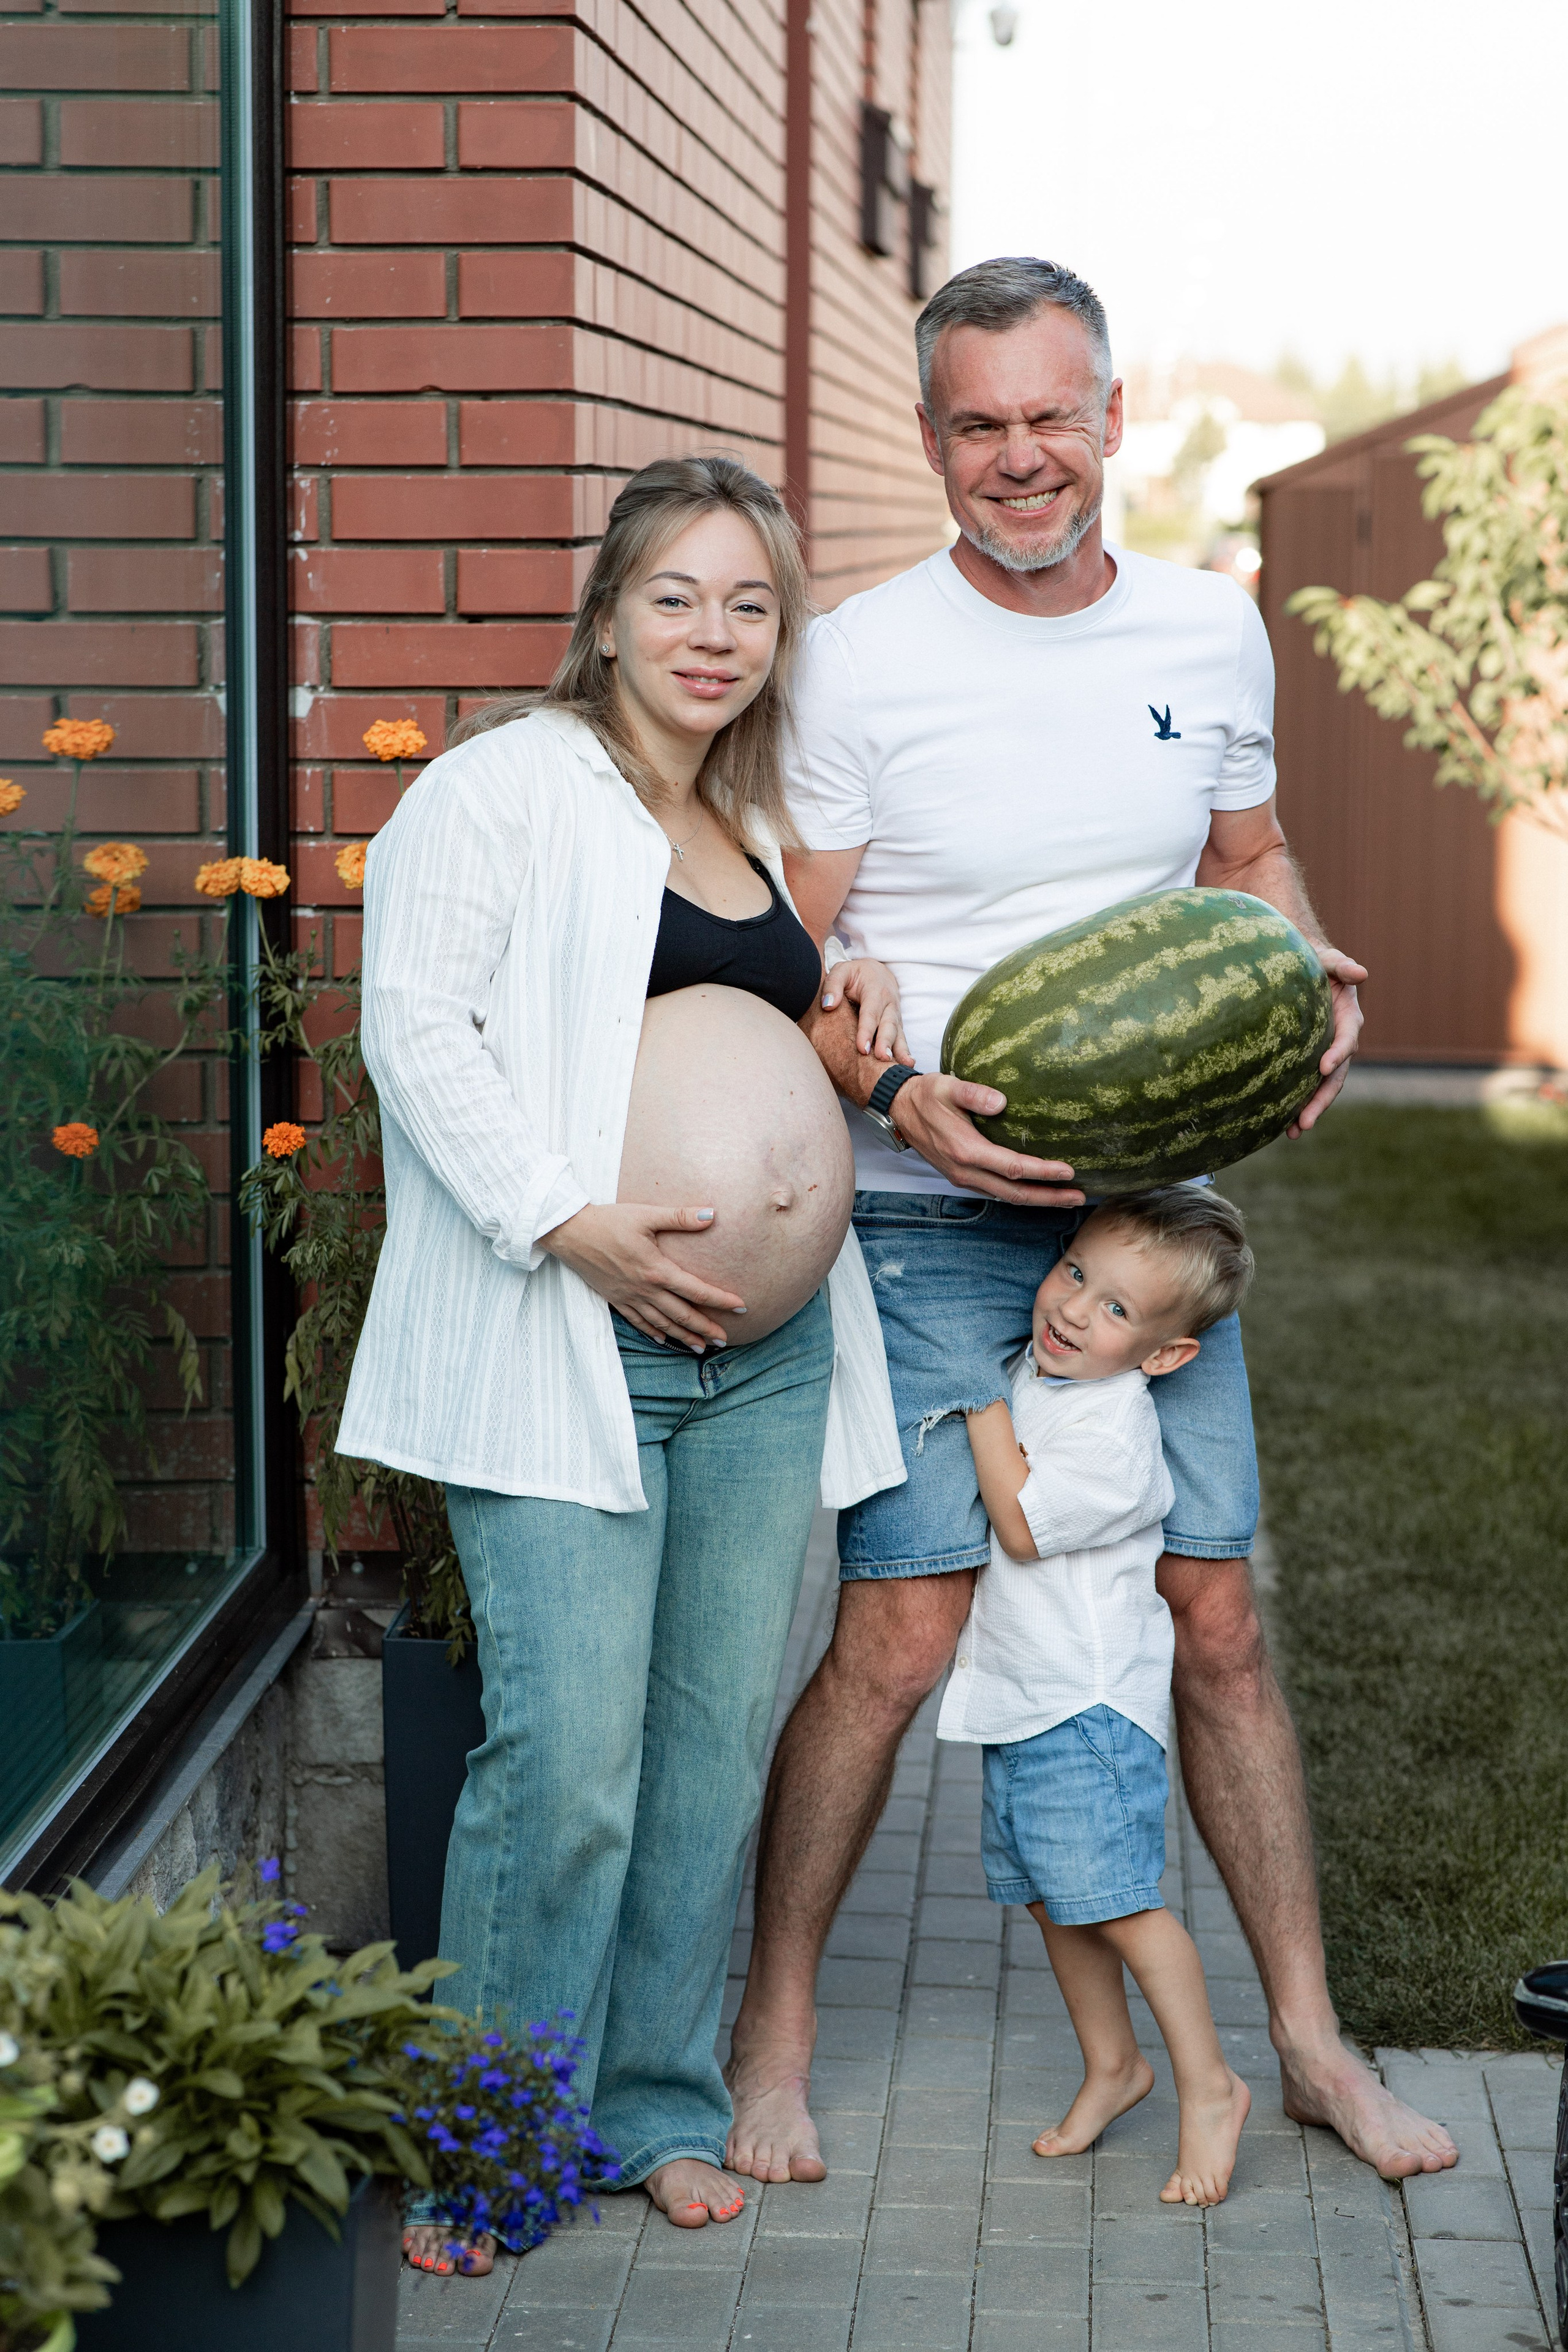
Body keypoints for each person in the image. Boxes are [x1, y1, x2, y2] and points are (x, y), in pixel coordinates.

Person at [723, 255, 1460, 2185]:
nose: (1023, 457)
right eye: (982, 423)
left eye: (1057, 415)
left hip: (1151, 1208)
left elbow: (1247, 859)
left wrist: (1310, 967)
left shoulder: (1215, 634)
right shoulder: (861, 661)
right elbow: (796, 949)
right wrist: (890, 1092)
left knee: (1213, 1613)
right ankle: (772, 2043)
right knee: (903, 1627)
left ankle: (1305, 2044)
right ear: (934, 442)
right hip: (922, 1198)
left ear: (1116, 419)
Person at [336, 456, 908, 2273]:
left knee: (709, 1748)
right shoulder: (501, 790)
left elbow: (749, 1010)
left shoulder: (743, 812)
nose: (715, 635)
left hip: (765, 1361)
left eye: (751, 604)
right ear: (606, 614)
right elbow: (414, 1031)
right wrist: (567, 1221)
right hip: (566, 1340)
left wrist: (854, 984)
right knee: (565, 1762)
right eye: (678, 597)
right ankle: (489, 2145)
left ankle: (654, 2105)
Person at [943, 1189, 1255, 2207]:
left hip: (1088, 1709)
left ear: (1163, 1358)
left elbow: (1027, 1524)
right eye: (1076, 1273)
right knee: (1054, 1894)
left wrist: (978, 1400)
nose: (1076, 1310)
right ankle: (1116, 2065)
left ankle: (1211, 2086)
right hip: (1026, 1699)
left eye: (1117, 1310)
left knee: (1120, 1904)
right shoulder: (1047, 1376)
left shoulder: (1117, 1432)